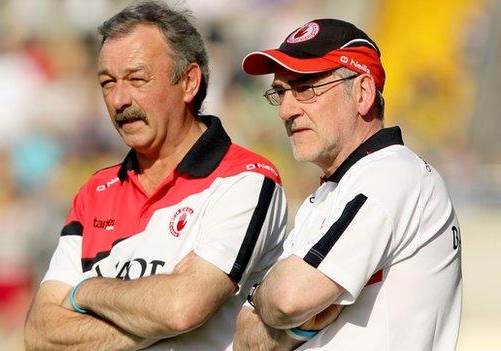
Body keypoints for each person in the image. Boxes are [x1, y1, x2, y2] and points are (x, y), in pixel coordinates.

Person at [24, 2, 288, 350]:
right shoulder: (95, 191)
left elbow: (182, 308)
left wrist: (85, 292)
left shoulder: (245, 179)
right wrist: (155, 311)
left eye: (137, 79)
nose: (119, 99)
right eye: (107, 83)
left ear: (189, 81)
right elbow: (41, 335)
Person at [234, 18, 462, 350]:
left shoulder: (392, 173)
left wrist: (265, 298)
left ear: (363, 93)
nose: (285, 110)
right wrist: (297, 327)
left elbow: (288, 297)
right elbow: (245, 338)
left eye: (305, 88)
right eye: (280, 92)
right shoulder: (337, 188)